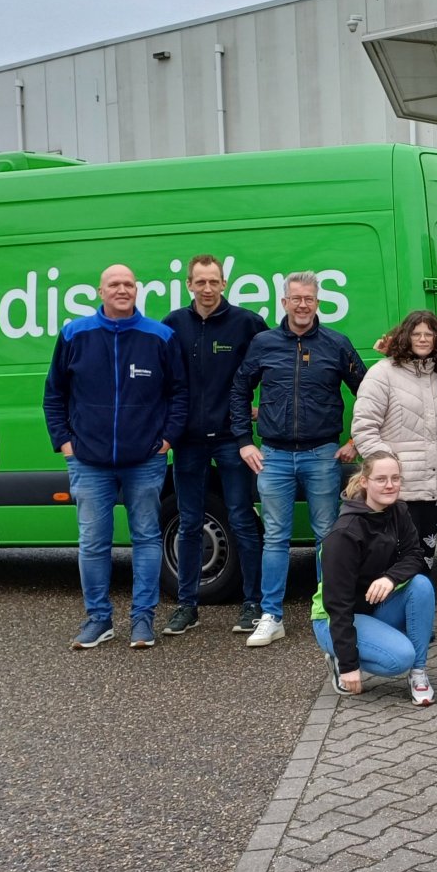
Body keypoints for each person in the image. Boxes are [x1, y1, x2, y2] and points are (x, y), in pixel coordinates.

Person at [44, 264, 187, 650]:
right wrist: (65, 444)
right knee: (93, 542)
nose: (122, 290)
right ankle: (98, 619)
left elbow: (179, 393)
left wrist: (167, 440)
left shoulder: (159, 336)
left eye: (128, 284)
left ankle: (143, 620)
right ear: (100, 291)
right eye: (114, 284)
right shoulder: (74, 334)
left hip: (145, 459)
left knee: (146, 538)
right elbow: (54, 394)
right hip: (88, 460)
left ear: (137, 290)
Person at [230, 271, 366, 648]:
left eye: (309, 298)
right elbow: (239, 389)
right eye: (296, 298)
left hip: (322, 454)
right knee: (275, 537)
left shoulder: (337, 344)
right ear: (284, 302)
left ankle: (329, 611)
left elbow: (368, 390)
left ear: (317, 302)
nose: (302, 305)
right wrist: (244, 441)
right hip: (273, 456)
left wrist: (356, 439)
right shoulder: (263, 343)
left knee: (327, 536)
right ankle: (271, 616)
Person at [161, 254, 267, 636]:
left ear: (224, 283)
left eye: (214, 281)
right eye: (200, 282)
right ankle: (187, 606)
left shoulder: (246, 323)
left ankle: (252, 603)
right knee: (189, 522)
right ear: (189, 284)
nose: (207, 289)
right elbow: (160, 377)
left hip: (232, 439)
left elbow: (275, 364)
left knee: (241, 518)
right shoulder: (173, 325)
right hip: (188, 442)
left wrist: (265, 407)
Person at [312, 452, 436, 706]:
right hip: (332, 618)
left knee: (421, 585)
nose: (390, 485)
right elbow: (338, 604)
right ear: (365, 482)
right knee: (399, 658)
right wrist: (349, 665)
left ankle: (419, 673)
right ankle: (339, 657)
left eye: (395, 478)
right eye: (381, 479)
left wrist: (390, 578)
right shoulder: (344, 533)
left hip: (372, 608)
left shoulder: (398, 510)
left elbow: (415, 555)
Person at [351, 310, 437, 566]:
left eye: (429, 334)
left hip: (433, 490)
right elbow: (363, 428)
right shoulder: (382, 373)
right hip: (398, 490)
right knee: (395, 564)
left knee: (424, 562)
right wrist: (388, 468)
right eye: (416, 334)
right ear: (405, 336)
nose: (423, 339)